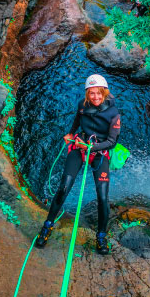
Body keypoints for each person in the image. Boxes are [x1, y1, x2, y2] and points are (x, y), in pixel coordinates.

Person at [35, 74, 121, 255]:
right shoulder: (82, 105)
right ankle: (47, 225)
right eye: (91, 94)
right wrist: (71, 133)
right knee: (63, 187)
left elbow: (112, 142)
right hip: (80, 146)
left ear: (105, 93)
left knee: (103, 197)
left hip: (99, 152)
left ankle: (101, 235)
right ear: (87, 94)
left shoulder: (113, 113)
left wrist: (92, 147)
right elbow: (77, 118)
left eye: (98, 93)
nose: (95, 97)